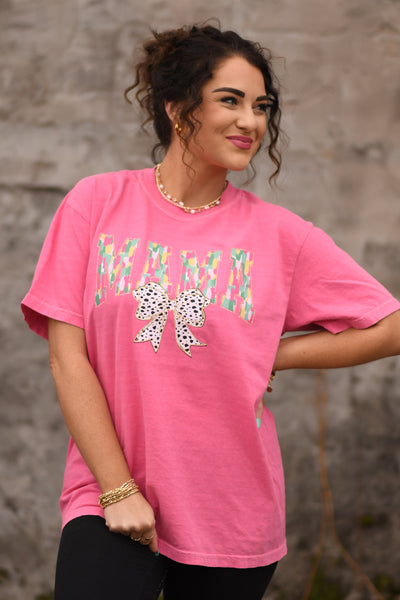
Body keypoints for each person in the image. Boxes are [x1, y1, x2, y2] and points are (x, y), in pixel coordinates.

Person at [21, 23, 400, 600]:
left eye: (261, 106)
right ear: (178, 108)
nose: (251, 121)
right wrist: (119, 490)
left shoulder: (281, 236)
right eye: (230, 100)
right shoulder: (96, 203)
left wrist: (276, 354)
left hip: (231, 511)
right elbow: (67, 360)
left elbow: (390, 326)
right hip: (106, 495)